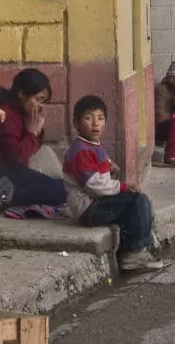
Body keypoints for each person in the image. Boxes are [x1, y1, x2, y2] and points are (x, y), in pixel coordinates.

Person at [62, 95, 164, 272]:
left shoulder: (92, 145)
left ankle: (140, 245)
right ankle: (133, 254)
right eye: (88, 118)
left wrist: (109, 165)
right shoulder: (81, 150)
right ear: (76, 123)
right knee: (136, 201)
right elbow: (93, 184)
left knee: (138, 201)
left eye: (100, 119)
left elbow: (100, 161)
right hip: (89, 208)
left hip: (97, 202)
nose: (95, 124)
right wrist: (122, 186)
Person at [0, 68, 67, 210]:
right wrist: (32, 133)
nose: (40, 105)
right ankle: (0, 197)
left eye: (43, 101)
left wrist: (36, 131)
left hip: (16, 174)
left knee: (64, 186)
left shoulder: (21, 113)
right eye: (38, 99)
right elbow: (17, 157)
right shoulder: (5, 116)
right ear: (21, 94)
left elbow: (28, 150)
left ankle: (10, 196)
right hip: (0, 177)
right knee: (64, 192)